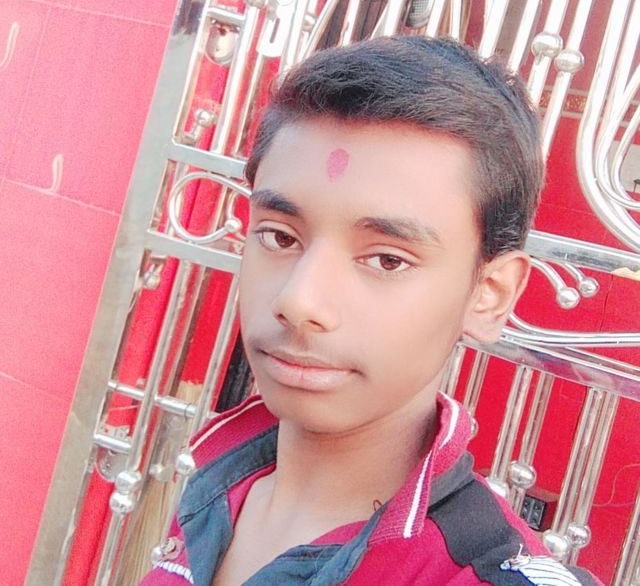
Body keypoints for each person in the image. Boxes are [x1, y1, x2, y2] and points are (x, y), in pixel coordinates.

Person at [140, 36, 602, 585]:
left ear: (490, 294)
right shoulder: (219, 478)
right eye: (280, 237)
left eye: (387, 259)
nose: (299, 301)